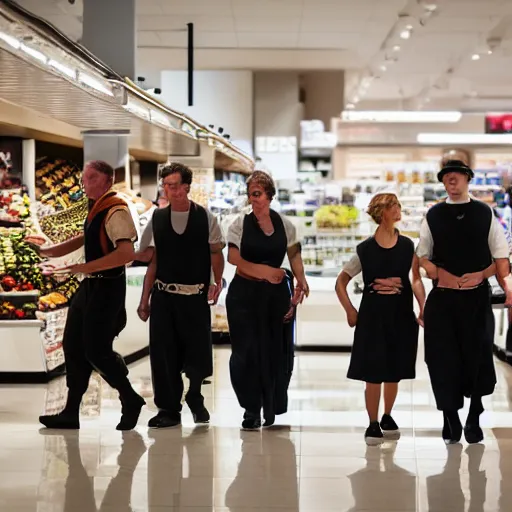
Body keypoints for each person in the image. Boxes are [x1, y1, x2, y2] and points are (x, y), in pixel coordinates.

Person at [39, 160, 145, 431]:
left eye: (90, 178)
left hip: (106, 288)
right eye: (83, 177)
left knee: (96, 350)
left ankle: (130, 398)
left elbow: (125, 254)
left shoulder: (116, 209)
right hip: (90, 286)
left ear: (107, 181)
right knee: (73, 346)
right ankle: (70, 412)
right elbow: (85, 237)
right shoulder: (97, 206)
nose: (83, 183)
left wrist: (80, 267)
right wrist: (50, 251)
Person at [417, 159, 512, 444]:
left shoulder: (485, 213)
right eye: (447, 177)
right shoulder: (433, 215)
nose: (452, 180)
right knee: (441, 358)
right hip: (443, 299)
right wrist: (439, 273)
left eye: (457, 175)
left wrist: (480, 275)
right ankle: (450, 416)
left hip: (476, 299)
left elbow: (501, 261)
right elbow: (423, 256)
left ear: (468, 179)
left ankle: (474, 414)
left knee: (478, 357)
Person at [137, 163, 225, 429]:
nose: (171, 190)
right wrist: (144, 300)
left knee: (197, 349)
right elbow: (151, 259)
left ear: (187, 186)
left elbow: (215, 253)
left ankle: (195, 394)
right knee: (163, 352)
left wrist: (217, 281)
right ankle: (168, 408)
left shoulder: (206, 218)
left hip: (195, 295)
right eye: (166, 185)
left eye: (175, 185)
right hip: (164, 296)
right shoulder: (157, 218)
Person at [335, 193, 425, 446]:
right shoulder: (365, 250)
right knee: (372, 370)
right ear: (383, 211)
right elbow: (341, 281)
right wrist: (350, 311)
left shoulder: (408, 246)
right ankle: (372, 421)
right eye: (394, 206)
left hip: (400, 315)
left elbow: (415, 278)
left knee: (394, 369)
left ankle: (387, 415)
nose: (399, 210)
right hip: (373, 317)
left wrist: (422, 306)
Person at [226, 170, 309, 430]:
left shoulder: (286, 225)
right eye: (251, 194)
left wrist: (300, 281)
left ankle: (270, 405)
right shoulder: (239, 223)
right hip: (244, 295)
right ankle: (251, 408)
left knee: (275, 352)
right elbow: (234, 259)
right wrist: (266, 271)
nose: (254, 199)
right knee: (246, 352)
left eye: (258, 194)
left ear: (270, 195)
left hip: (275, 296)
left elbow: (294, 256)